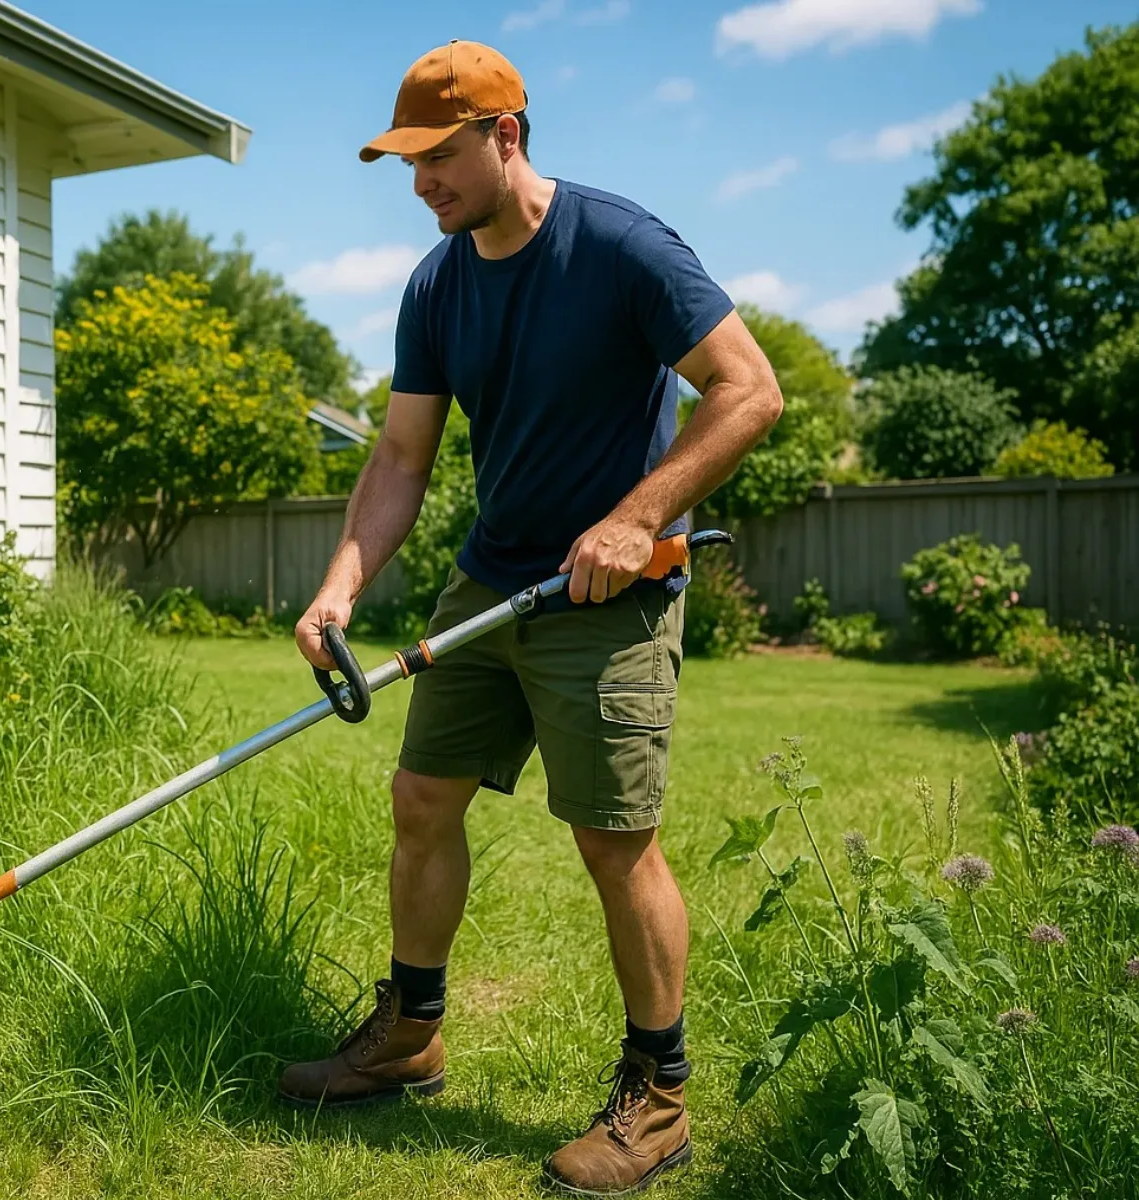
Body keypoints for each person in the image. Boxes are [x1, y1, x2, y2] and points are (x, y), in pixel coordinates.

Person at [274, 39, 783, 1197]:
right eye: (409, 164)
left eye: (439, 159)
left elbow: (749, 390)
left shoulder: (620, 248)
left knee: (613, 841)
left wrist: (634, 515)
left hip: (609, 592)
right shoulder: (438, 282)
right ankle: (412, 1030)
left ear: (507, 136)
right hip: (494, 575)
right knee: (422, 798)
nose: (421, 187)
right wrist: (341, 584)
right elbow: (401, 457)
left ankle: (657, 1098)